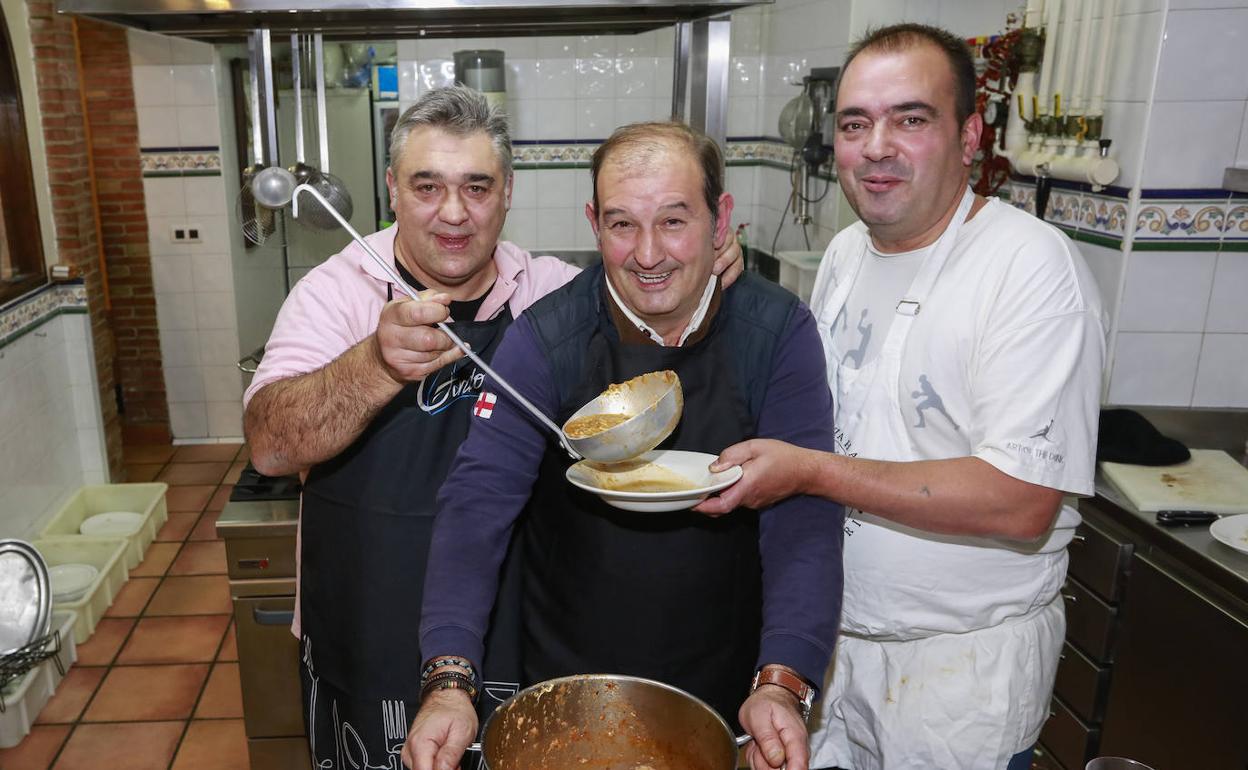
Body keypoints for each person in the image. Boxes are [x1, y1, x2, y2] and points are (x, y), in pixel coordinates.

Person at [242, 87, 743, 769]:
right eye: (428, 186)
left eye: (476, 187)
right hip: (368, 627)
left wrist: (701, 270)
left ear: (508, 193)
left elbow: (658, 329)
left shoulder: (551, 292)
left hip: (514, 632)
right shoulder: (336, 292)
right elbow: (270, 447)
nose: (454, 213)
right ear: (393, 190)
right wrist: (375, 364)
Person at [695, 23, 1107, 770]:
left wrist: (810, 472)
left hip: (956, 679)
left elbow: (1021, 501)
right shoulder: (847, 253)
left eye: (910, 119)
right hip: (832, 651)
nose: (876, 147)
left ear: (969, 136)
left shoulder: (1028, 268)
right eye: (856, 124)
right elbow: (836, 417)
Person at [402, 121, 844, 770]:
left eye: (673, 221)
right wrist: (448, 678)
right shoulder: (544, 340)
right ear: (594, 224)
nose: (648, 254)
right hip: (568, 692)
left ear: (720, 220)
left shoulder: (776, 332)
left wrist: (784, 681)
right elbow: (477, 503)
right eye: (621, 225)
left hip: (731, 690)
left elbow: (803, 517)